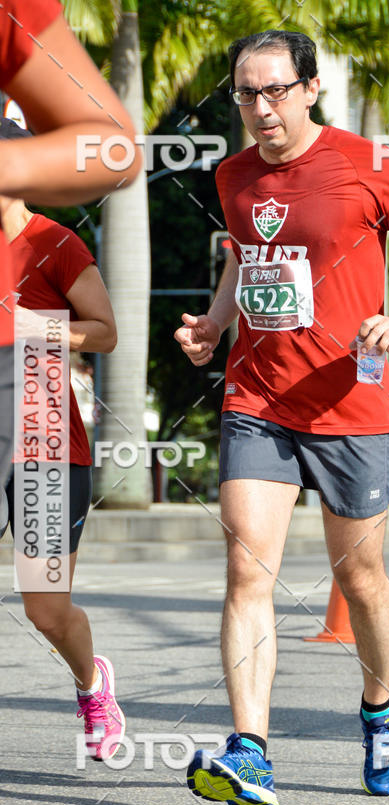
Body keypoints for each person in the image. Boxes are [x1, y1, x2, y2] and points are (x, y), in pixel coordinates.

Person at [176, 30, 389, 805]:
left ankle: (379, 710)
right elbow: (243, 256)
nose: (259, 109)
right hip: (258, 399)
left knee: (358, 578)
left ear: (308, 89)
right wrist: (212, 323)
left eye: (273, 91)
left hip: (350, 403)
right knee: (245, 570)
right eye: (244, 94)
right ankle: (251, 754)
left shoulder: (368, 166)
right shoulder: (233, 175)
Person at [1, 0, 141, 503]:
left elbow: (105, 335)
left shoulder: (54, 241)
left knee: (45, 583)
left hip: (46, 448)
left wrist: (35, 327)